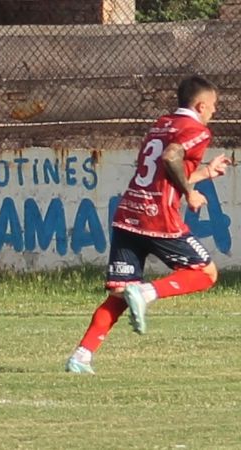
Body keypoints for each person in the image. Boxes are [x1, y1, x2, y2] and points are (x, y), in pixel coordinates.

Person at [65, 76, 230, 374]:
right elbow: (171, 157)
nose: (214, 111)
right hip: (157, 216)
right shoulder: (197, 130)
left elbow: (161, 173)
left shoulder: (162, 124)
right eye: (213, 105)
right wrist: (190, 193)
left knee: (120, 294)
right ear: (201, 105)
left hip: (128, 213)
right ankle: (147, 292)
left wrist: (205, 173)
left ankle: (81, 356)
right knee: (206, 273)